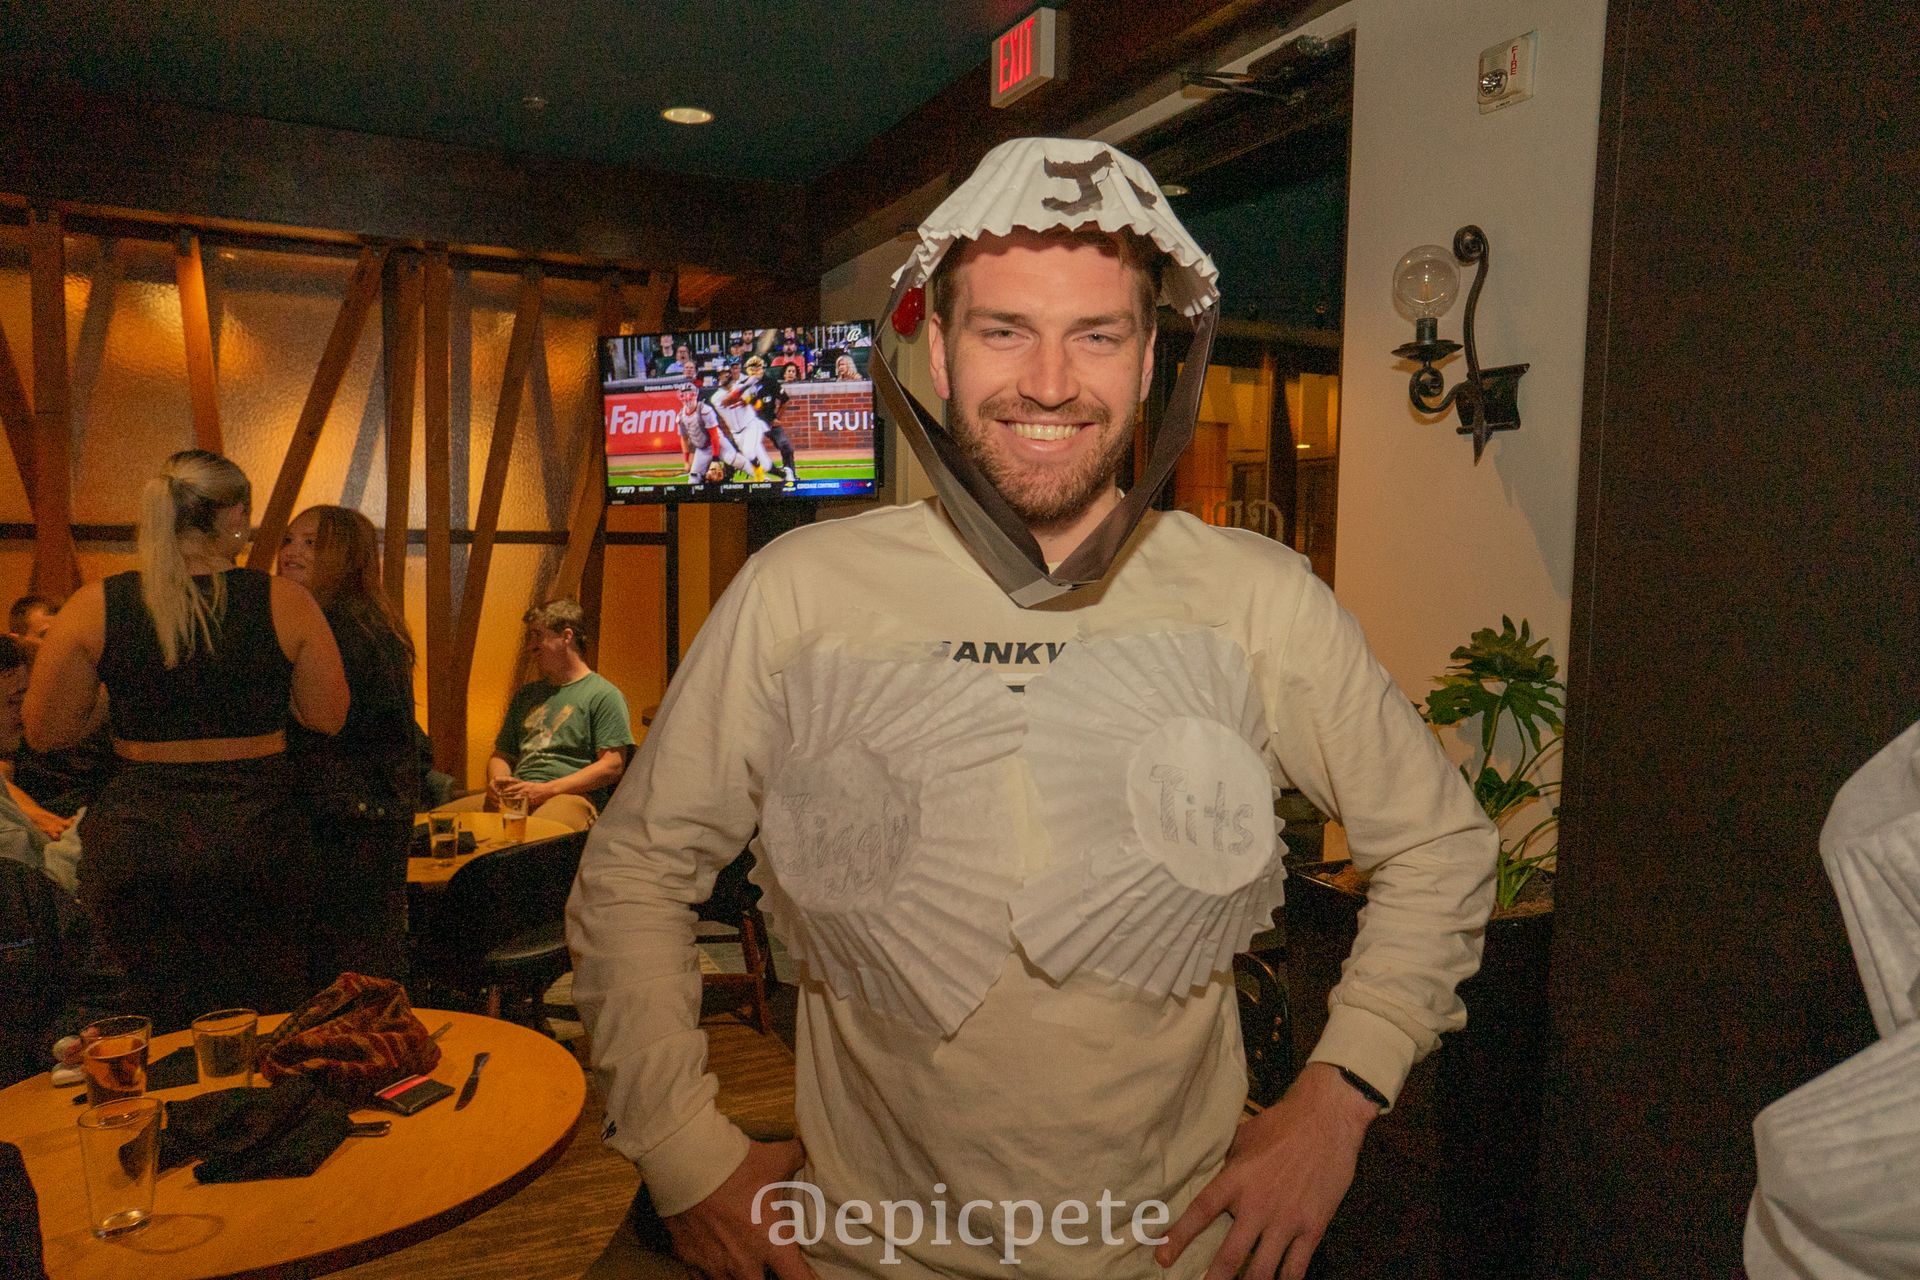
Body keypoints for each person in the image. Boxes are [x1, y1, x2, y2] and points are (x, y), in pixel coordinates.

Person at [568, 138, 1499, 1280]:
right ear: (941, 354)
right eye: (1004, 329)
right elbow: (636, 872)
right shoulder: (801, 592)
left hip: (1173, 1252)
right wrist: (684, 1150)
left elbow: (1443, 849)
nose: (1050, 381)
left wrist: (1339, 1094)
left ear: (1150, 356)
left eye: (1096, 335)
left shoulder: (1254, 598)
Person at [25, 449, 348, 1031]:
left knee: (146, 1019)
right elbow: (328, 716)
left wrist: (119, 696)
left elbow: (46, 730)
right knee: (264, 1015)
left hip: (142, 836)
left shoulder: (96, 604)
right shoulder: (284, 601)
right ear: (232, 517)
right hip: (257, 833)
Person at [277, 504, 421, 986]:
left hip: (344, 826)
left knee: (343, 973)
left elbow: (326, 728)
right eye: (289, 540)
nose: (292, 552)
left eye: (312, 543)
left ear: (345, 556)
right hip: (367, 819)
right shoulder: (369, 623)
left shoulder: (339, 630)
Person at [488, 598, 633, 827]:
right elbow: (502, 755)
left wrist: (545, 790)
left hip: (569, 796)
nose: (530, 646)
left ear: (566, 637)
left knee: (538, 833)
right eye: (530, 638)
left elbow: (612, 766)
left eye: (538, 636)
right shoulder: (526, 695)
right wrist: (499, 782)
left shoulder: (603, 694)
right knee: (437, 825)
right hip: (519, 796)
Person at [676, 381, 745, 488]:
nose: (687, 397)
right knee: (694, 480)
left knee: (734, 459)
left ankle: (743, 475)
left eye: (689, 393)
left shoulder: (706, 409)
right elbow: (684, 438)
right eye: (684, 394)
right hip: (703, 447)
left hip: (719, 440)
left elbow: (715, 435)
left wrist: (716, 459)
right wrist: (686, 461)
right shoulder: (682, 416)